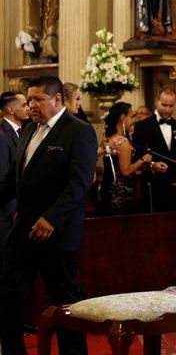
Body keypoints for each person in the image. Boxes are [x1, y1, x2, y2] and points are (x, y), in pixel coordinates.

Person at [0, 75, 98, 355]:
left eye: (38, 99)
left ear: (57, 100)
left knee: (66, 305)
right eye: (29, 99)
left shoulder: (79, 131)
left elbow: (79, 183)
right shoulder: (29, 130)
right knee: (8, 296)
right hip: (24, 233)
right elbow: (12, 179)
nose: (31, 105)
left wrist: (52, 218)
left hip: (58, 233)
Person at [98, 102, 163, 215]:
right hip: (121, 192)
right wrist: (143, 159)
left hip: (108, 188)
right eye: (131, 116)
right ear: (123, 118)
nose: (132, 120)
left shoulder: (108, 138)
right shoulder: (123, 142)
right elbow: (126, 171)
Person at [131, 88, 176, 212]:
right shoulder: (142, 126)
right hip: (153, 186)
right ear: (156, 101)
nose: (167, 109)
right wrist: (152, 165)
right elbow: (136, 154)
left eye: (171, 106)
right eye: (164, 105)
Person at [0, 92, 30, 267]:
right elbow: (3, 176)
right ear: (11, 109)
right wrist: (13, 212)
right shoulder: (2, 136)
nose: (28, 108)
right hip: (7, 216)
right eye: (24, 104)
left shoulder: (22, 132)